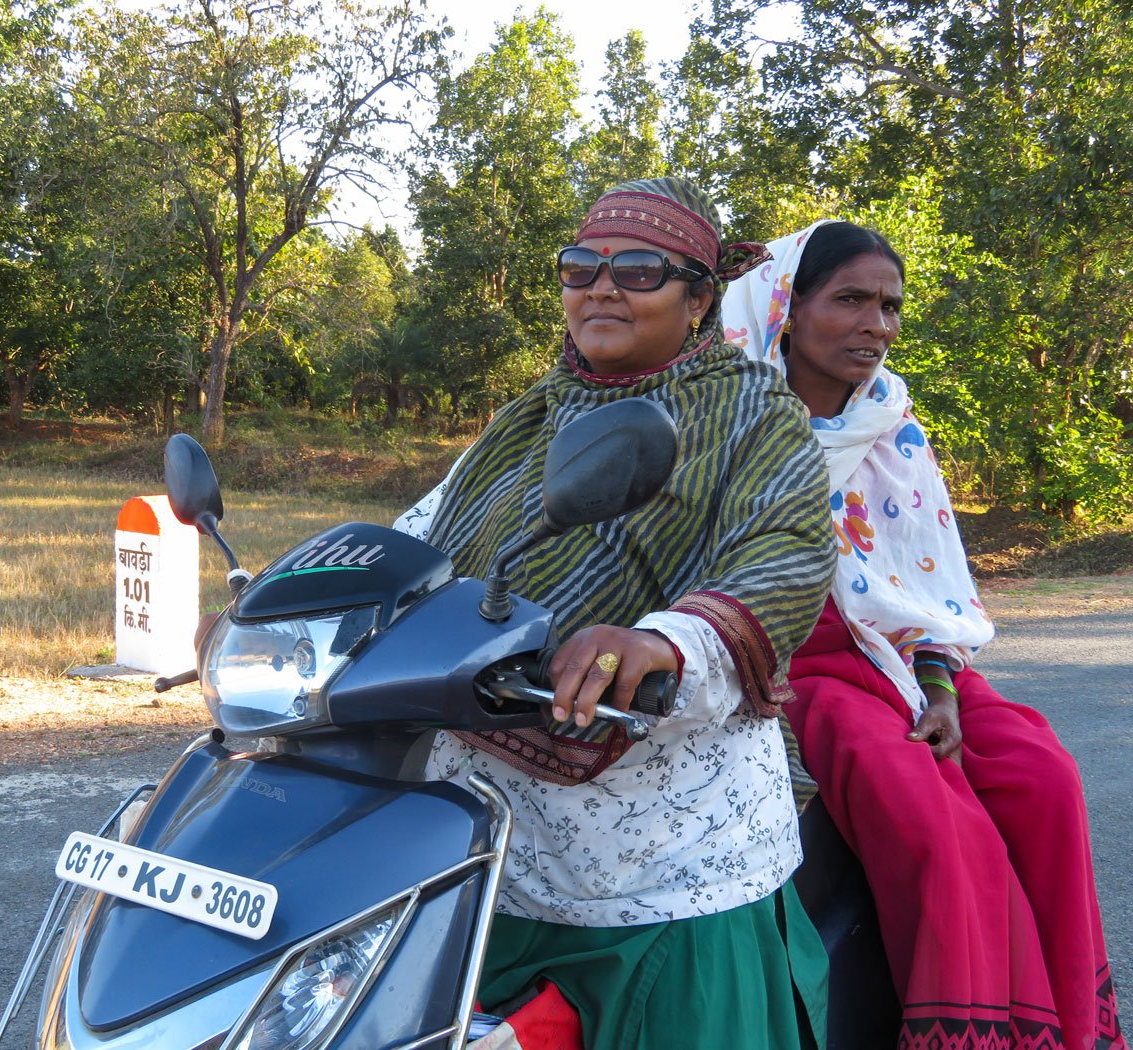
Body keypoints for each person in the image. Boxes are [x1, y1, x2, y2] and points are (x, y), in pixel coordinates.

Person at [393, 178, 838, 1050]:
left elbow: (784, 549)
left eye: (639, 270)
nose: (600, 288)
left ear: (700, 296)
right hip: (487, 813)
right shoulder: (528, 417)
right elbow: (425, 530)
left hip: (662, 843)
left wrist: (663, 640)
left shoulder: (754, 411)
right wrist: (303, 599)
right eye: (579, 268)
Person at [721, 219, 1126, 1050]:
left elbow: (928, 585)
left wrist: (941, 688)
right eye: (851, 300)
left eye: (891, 306)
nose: (878, 325)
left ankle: (1066, 1030)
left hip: (906, 660)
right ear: (787, 307)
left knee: (1042, 772)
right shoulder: (727, 423)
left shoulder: (892, 425)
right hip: (810, 671)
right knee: (935, 817)